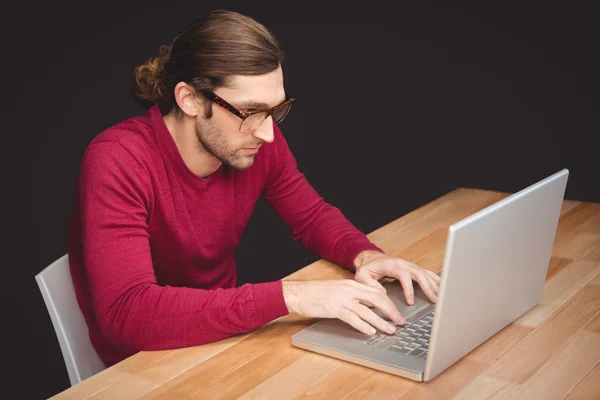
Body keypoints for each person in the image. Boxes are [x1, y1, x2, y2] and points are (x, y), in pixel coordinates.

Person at [68, 9, 441, 366]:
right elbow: (127, 316)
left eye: (275, 110)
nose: (267, 132)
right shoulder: (118, 160)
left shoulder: (256, 140)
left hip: (227, 338)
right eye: (250, 112)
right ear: (190, 99)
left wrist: (366, 256)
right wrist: (291, 296)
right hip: (146, 364)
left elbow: (311, 217)